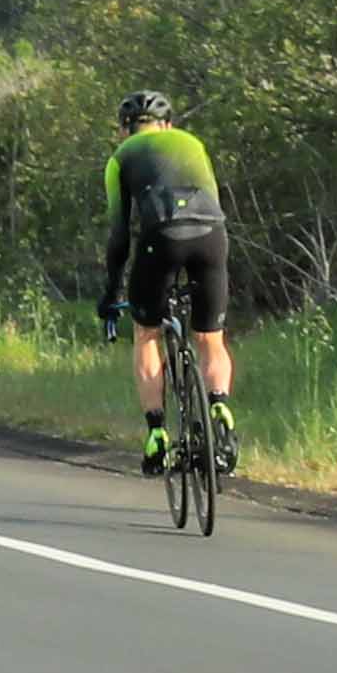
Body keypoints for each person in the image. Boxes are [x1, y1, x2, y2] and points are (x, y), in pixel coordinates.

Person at [95, 94, 236, 472]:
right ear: (168, 125)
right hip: (212, 235)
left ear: (124, 129)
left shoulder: (120, 158)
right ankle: (220, 407)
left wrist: (112, 292)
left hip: (161, 239)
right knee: (210, 339)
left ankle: (157, 432)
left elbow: (119, 235)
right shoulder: (193, 144)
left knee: (147, 334)